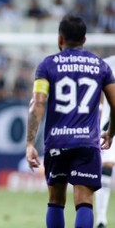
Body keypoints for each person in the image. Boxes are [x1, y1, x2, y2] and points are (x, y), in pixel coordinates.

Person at [25, 15, 115, 228]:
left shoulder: (47, 66)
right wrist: (111, 133)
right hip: (87, 142)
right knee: (84, 201)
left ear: (60, 39)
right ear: (84, 40)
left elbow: (38, 105)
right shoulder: (100, 66)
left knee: (55, 200)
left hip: (57, 142)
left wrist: (29, 143)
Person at [95, 55, 115, 228]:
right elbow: (99, 97)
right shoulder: (106, 64)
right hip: (110, 125)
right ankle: (101, 219)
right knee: (106, 166)